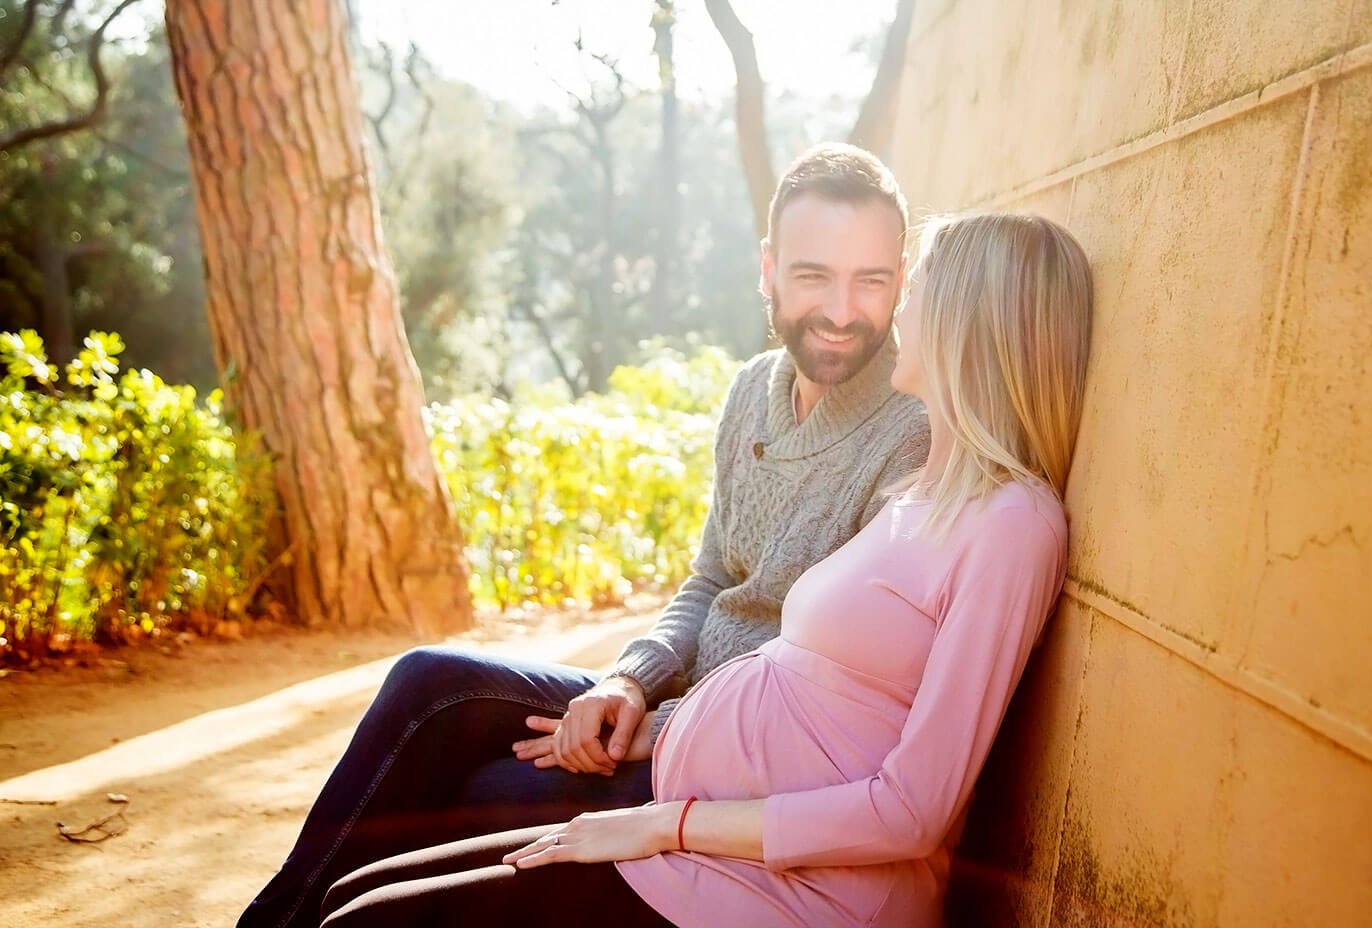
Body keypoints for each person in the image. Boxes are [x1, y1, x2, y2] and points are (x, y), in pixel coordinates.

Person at [314, 211, 1095, 928]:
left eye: (909, 287)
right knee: (353, 896)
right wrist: (647, 708)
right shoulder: (922, 494)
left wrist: (661, 821)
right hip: (706, 829)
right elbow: (780, 660)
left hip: (791, 892)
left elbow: (912, 809)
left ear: (966, 323)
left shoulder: (1013, 526)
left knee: (364, 922)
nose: (897, 313)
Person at [239, 143, 932, 928]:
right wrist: (627, 683)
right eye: (815, 276)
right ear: (768, 270)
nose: (843, 311)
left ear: (902, 279)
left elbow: (837, 696)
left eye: (870, 280)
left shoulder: (913, 434)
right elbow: (710, 578)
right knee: (430, 683)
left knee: (484, 793)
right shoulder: (753, 391)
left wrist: (660, 734)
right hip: (672, 708)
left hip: (745, 768)